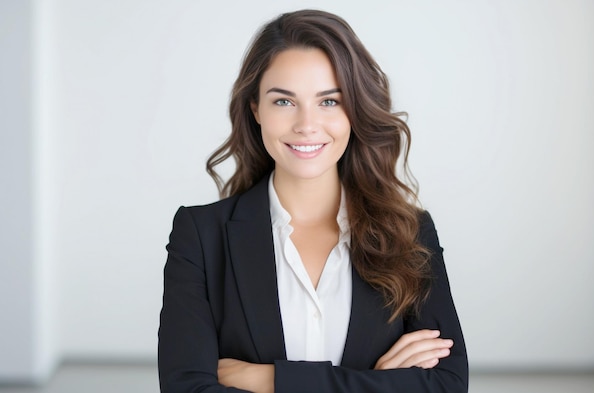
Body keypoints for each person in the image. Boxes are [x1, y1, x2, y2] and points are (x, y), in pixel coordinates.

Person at [158, 9, 468, 393]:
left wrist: (272, 379)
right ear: (255, 109)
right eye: (284, 102)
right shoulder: (201, 237)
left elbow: (446, 385)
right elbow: (186, 388)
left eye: (329, 102)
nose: (306, 124)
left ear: (355, 109)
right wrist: (378, 384)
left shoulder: (410, 232)